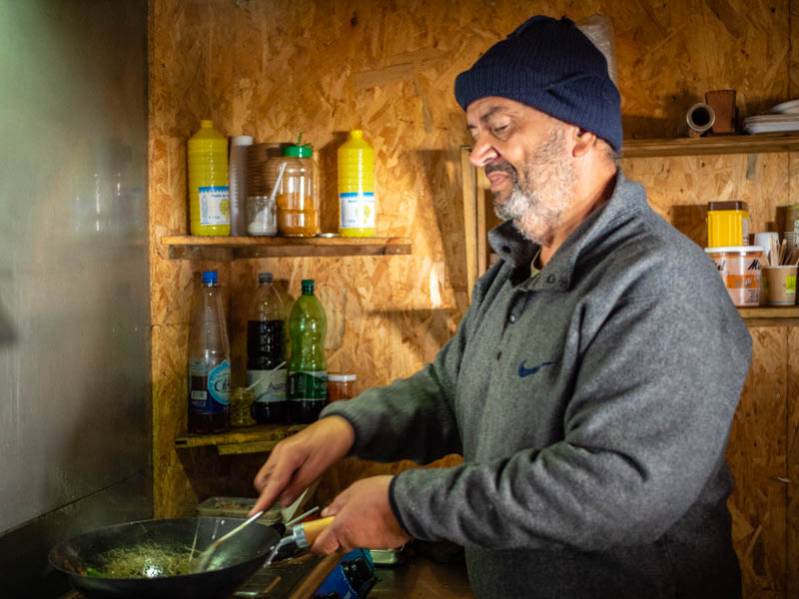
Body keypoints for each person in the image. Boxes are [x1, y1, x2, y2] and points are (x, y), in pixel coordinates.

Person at [251, 15, 751, 599]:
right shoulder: (514, 272)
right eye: (473, 131)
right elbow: (448, 390)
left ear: (581, 131)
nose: (477, 153)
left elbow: (618, 489)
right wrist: (342, 429)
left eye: (500, 126)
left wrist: (405, 507)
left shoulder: (658, 282)